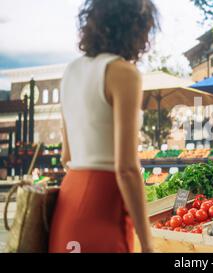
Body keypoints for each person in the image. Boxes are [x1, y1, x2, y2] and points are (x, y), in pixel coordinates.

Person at [49, 0, 158, 253]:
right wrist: (148, 244)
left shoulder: (71, 71)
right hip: (103, 206)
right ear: (135, 27)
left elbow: (67, 156)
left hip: (68, 205)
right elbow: (127, 169)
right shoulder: (123, 72)